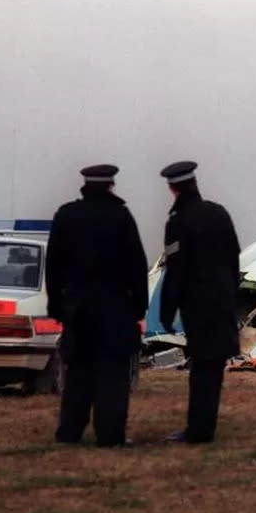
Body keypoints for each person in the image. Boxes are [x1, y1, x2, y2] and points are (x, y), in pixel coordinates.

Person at [46, 164, 149, 447]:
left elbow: (53, 266)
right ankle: (110, 435)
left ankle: (69, 432)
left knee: (78, 373)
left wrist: (56, 306)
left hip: (78, 310)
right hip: (115, 310)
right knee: (113, 376)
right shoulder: (121, 217)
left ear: (85, 185)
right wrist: (139, 307)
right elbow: (137, 267)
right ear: (110, 186)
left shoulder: (66, 215)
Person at [159, 161, 240, 444]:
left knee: (202, 371)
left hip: (198, 307)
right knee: (213, 370)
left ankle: (199, 430)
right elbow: (234, 258)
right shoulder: (219, 214)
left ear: (173, 188)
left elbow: (175, 271)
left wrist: (166, 312)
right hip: (223, 304)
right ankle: (204, 426)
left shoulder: (178, 223)